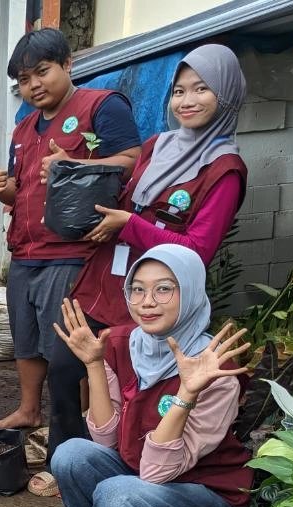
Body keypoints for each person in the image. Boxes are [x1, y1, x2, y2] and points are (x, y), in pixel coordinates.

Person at [49, 47, 248, 471]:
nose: (186, 100)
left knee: (125, 377)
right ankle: (74, 460)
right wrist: (77, 174)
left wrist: (130, 225)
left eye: (201, 89)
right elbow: (123, 195)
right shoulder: (158, 144)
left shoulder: (225, 169)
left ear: (226, 96)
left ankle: (120, 466)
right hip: (107, 273)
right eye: (178, 91)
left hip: (150, 295)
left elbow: (197, 250)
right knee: (67, 363)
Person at [0, 30, 140, 490]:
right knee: (27, 340)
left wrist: (77, 164)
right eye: (23, 80)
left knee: (68, 355)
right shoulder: (24, 128)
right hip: (26, 250)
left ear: (68, 64)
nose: (33, 86)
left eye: (42, 72)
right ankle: (30, 409)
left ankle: (72, 448)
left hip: (72, 251)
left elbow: (132, 159)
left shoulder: (101, 106)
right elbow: (23, 190)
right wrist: (0, 187)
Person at [50, 248, 254, 507]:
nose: (147, 301)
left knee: (116, 496)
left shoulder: (215, 368)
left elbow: (159, 471)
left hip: (206, 498)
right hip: (141, 479)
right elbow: (105, 440)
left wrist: (187, 392)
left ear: (189, 291)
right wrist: (93, 365)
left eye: (164, 289)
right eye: (138, 289)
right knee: (72, 454)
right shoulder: (121, 343)